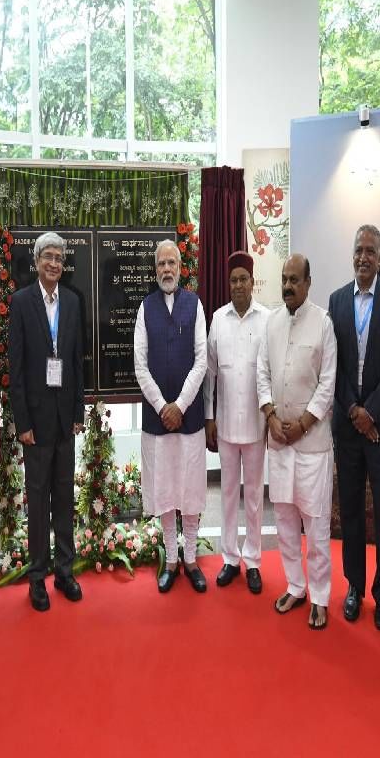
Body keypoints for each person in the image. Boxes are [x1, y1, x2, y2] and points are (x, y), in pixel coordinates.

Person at [328, 224, 380, 630]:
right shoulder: (337, 301)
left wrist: (370, 411)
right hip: (348, 429)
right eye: (358, 249)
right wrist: (352, 409)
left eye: (370, 251)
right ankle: (355, 587)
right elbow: (334, 365)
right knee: (353, 515)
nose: (363, 257)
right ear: (353, 254)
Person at [257, 254, 337, 628]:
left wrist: (302, 424)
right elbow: (263, 373)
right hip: (278, 441)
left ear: (308, 282)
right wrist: (271, 416)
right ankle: (295, 584)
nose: (288, 286)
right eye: (284, 279)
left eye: (294, 280)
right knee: (286, 520)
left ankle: (320, 596)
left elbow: (329, 383)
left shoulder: (323, 323)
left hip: (311, 444)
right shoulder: (271, 323)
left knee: (315, 523)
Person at [8, 231, 85, 612]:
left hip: (63, 422)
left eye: (59, 257)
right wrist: (22, 421)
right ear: (37, 261)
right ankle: (37, 577)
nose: (54, 263)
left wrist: (77, 412)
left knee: (65, 496)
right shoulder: (21, 303)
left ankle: (65, 572)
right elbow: (15, 368)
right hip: (35, 423)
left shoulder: (72, 302)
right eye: (48, 256)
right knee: (38, 501)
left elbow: (75, 361)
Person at [134, 238, 208, 593]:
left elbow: (201, 359)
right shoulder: (145, 308)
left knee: (190, 490)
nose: (166, 269)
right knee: (165, 490)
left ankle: (191, 558)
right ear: (155, 268)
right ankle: (172, 559)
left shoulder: (195, 305)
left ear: (181, 268)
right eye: (161, 263)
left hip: (189, 419)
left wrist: (180, 405)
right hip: (157, 420)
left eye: (172, 264)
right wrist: (164, 407)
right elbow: (140, 365)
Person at [204, 251, 269, 594]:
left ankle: (254, 559)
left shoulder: (267, 319)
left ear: (252, 281)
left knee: (255, 496)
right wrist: (208, 418)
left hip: (257, 426)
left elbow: (269, 374)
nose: (239, 285)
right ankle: (230, 558)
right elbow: (210, 375)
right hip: (226, 425)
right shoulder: (218, 319)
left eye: (244, 279)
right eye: (233, 280)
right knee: (228, 493)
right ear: (228, 284)